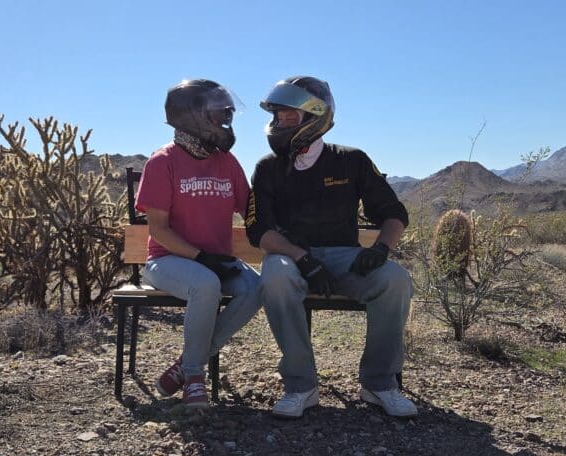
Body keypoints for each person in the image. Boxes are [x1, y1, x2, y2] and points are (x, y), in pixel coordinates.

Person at [245, 76, 416, 418]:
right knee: (274, 276)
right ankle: (300, 386)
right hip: (292, 258)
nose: (278, 123)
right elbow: (258, 231)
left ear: (314, 117)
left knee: (395, 280)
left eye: (287, 116)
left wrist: (381, 249)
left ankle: (380, 384)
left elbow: (394, 213)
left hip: (346, 258)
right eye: (275, 115)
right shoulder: (268, 168)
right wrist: (301, 257)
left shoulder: (351, 161)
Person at [135, 79, 261, 410]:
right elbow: (159, 231)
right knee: (206, 285)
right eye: (218, 113)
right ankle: (194, 375)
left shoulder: (226, 163)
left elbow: (249, 209)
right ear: (192, 116)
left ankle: (187, 362)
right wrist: (203, 258)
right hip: (167, 261)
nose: (225, 120)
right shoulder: (163, 162)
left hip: (215, 261)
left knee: (256, 288)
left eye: (226, 113)